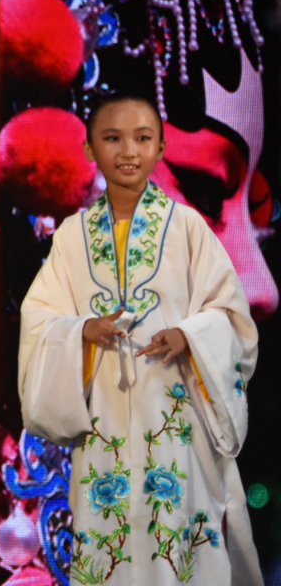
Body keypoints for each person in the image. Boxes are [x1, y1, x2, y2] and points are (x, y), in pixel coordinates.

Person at [19, 92, 263, 585]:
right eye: (112, 138)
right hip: (103, 429)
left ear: (161, 147)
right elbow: (39, 319)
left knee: (182, 549)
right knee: (111, 553)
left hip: (178, 427)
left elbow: (233, 320)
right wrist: (81, 331)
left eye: (142, 138)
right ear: (90, 150)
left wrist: (190, 337)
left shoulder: (190, 229)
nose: (128, 151)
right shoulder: (71, 237)